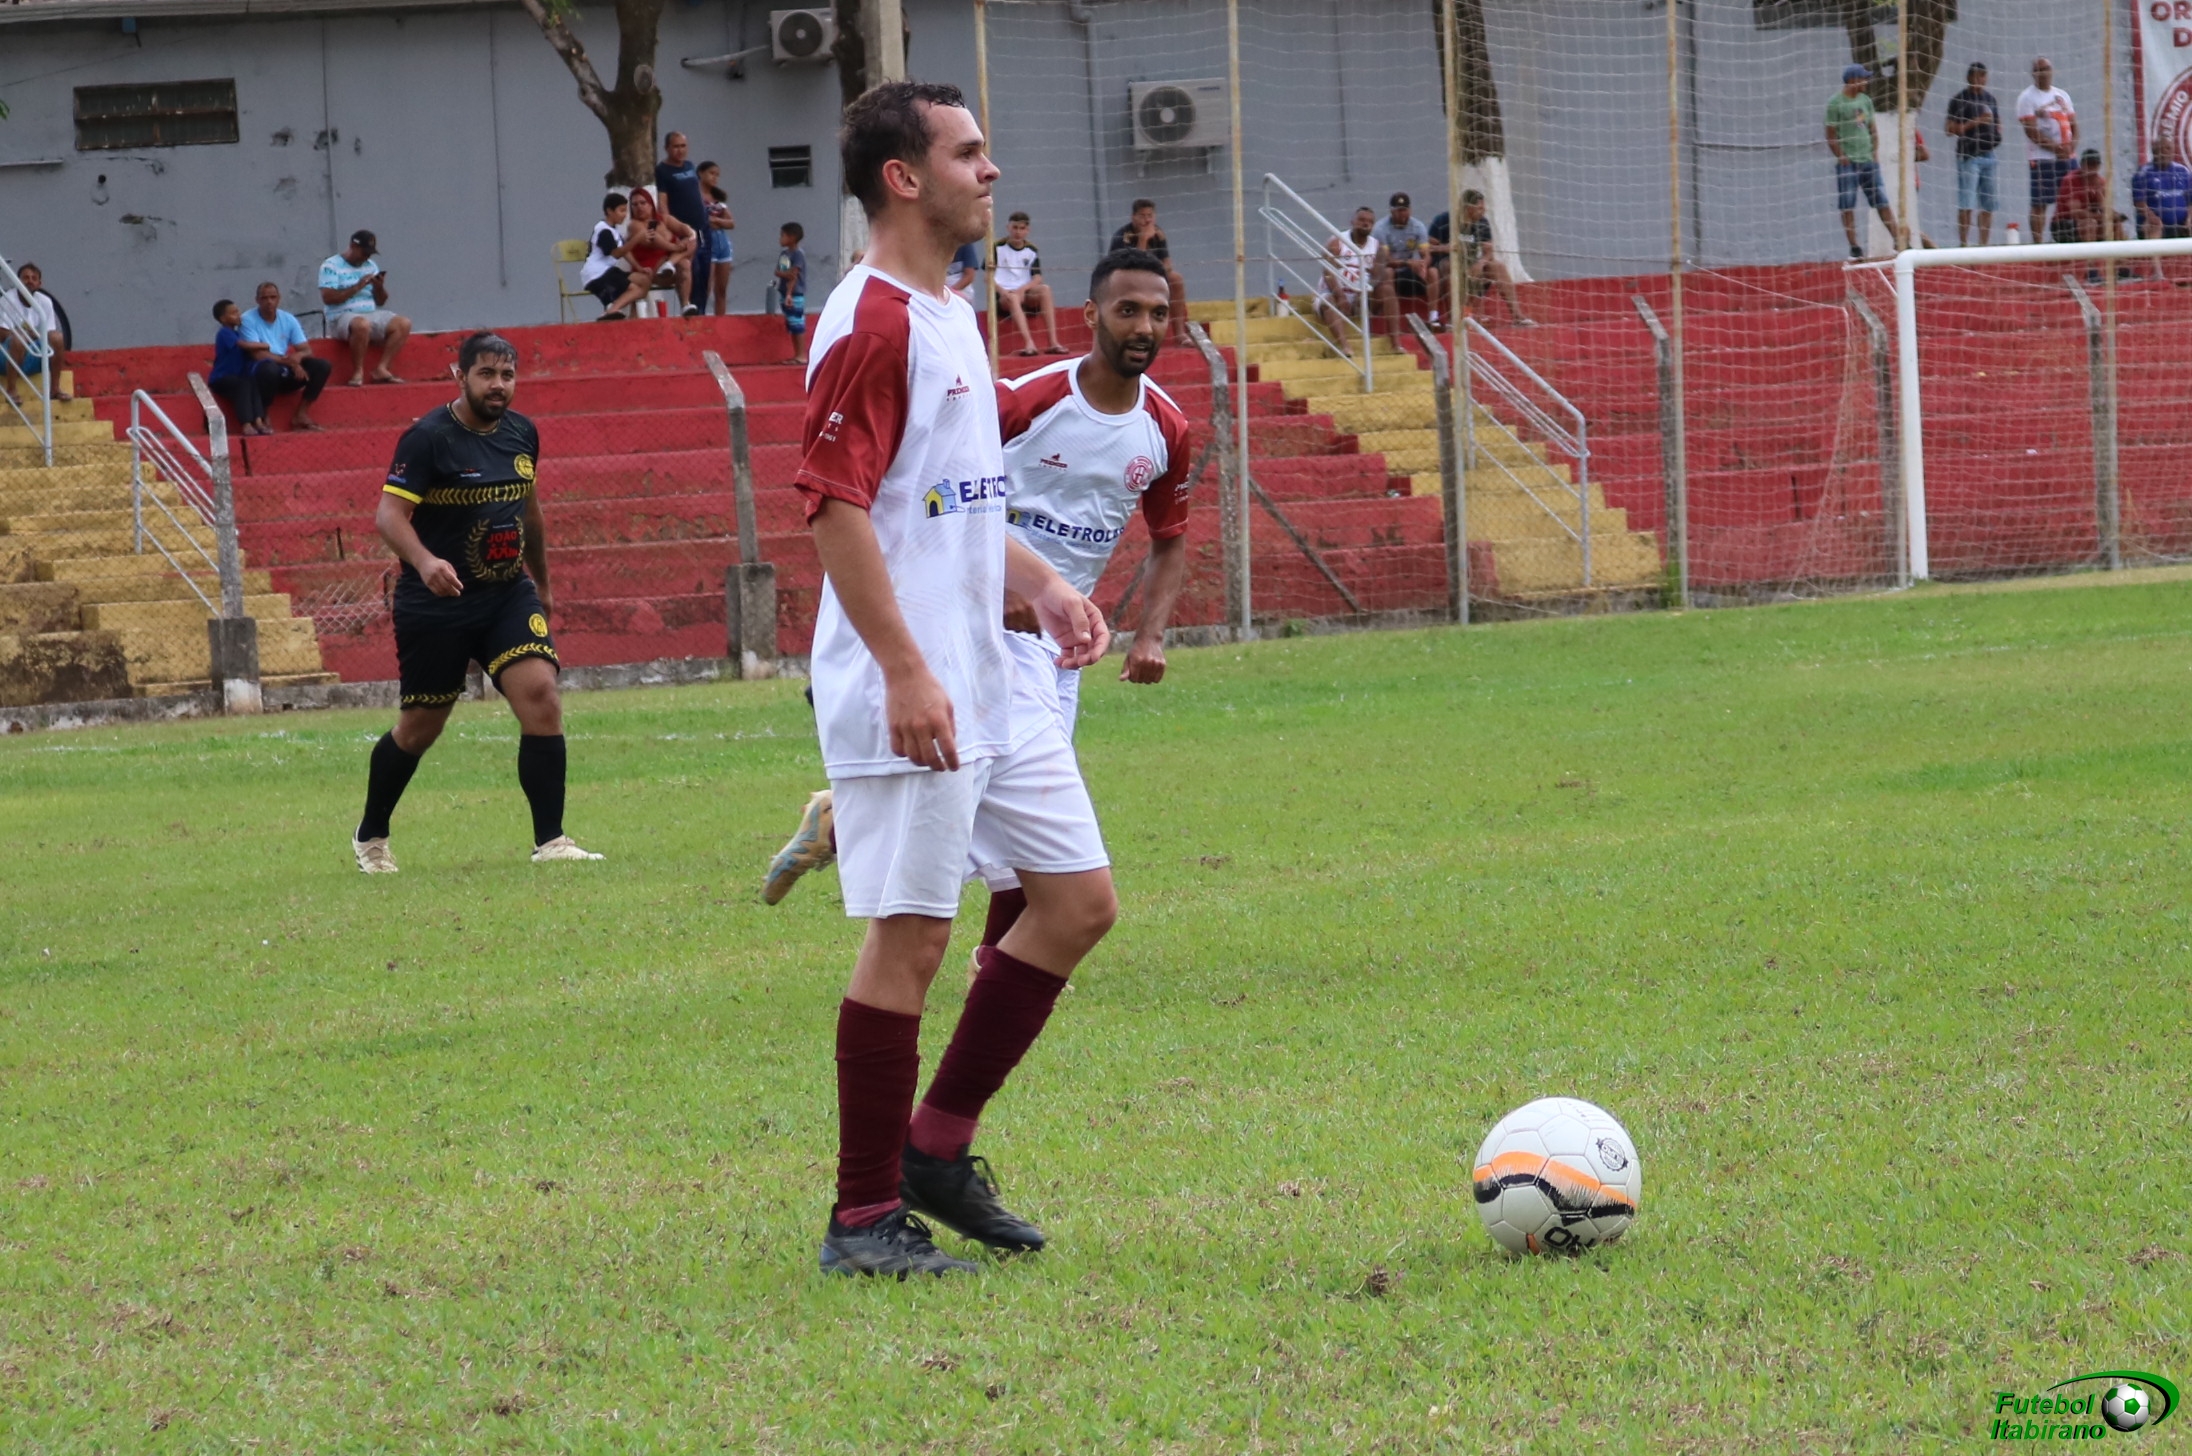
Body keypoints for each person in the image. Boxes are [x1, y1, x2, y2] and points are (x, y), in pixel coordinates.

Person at [792, 80, 1115, 1278]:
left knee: (1076, 903)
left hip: (991, 678)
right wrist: (904, 672)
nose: (990, 170)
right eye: (968, 153)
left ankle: (934, 1148)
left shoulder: (949, 311)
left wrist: (1041, 584)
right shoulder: (871, 322)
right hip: (913, 688)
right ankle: (862, 1216)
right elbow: (832, 508)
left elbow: (950, 504)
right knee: (911, 943)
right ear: (903, 177)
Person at [764, 248, 1197, 926]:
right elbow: (934, 478)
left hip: (1060, 639)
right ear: (1091, 315)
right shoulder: (1029, 398)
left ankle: (840, 821)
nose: (1144, 327)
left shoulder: (1167, 427)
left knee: (1003, 809)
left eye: (1158, 314)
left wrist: (1152, 635)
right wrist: (988, 580)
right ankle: (991, 959)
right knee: (1031, 839)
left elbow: (1170, 538)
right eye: (1128, 310)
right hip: (986, 621)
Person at [352, 331, 602, 874]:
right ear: (459, 376)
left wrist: (543, 583)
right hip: (435, 602)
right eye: (486, 374)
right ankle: (371, 835)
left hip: (506, 594)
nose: (498, 385)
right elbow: (389, 515)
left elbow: (530, 511)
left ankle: (551, 841)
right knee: (420, 727)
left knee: (541, 694)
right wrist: (425, 562)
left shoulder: (522, 433)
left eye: (507, 375)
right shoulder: (427, 438)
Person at [320, 230, 412, 387]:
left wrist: (379, 287)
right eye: (364, 253)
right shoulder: (331, 265)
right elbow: (328, 298)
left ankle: (382, 368)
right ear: (353, 246)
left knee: (403, 323)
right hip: (341, 315)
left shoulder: (371, 266)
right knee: (361, 325)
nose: (366, 257)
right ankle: (358, 371)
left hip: (370, 312)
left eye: (369, 254)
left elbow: (381, 301)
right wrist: (358, 286)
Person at [237, 281, 333, 431]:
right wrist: (291, 363)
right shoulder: (247, 319)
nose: (269, 302)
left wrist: (297, 357)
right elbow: (258, 354)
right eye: (264, 298)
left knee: (322, 366)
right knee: (269, 368)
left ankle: (301, 414)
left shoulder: (288, 319)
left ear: (279, 298)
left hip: (284, 368)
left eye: (273, 297)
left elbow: (306, 350)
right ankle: (263, 414)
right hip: (260, 371)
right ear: (257, 300)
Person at [1827, 65, 1899, 259]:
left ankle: (1898, 240)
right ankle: (1855, 246)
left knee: (1881, 201)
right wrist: (1841, 156)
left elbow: (1872, 129)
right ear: (1852, 80)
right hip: (1848, 163)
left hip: (1868, 161)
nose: (1866, 82)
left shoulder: (1865, 101)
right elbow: (1830, 135)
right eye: (1863, 78)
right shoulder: (1835, 103)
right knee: (1847, 204)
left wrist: (1874, 151)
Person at [1442, 191, 1535, 327]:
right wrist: (1449, 248)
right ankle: (1455, 318)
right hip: (1449, 264)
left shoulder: (1482, 223)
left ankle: (1517, 316)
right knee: (1450, 268)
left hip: (1471, 263)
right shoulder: (1446, 220)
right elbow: (1429, 247)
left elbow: (1488, 251)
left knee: (1497, 267)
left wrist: (1481, 263)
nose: (1484, 211)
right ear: (1468, 208)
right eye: (1480, 208)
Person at [2018, 57, 2078, 248]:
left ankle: (2073, 240)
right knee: (2040, 203)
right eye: (2040, 69)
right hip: (2043, 158)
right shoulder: (2027, 98)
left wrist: (2072, 146)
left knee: (2074, 199)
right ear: (2033, 73)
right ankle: (2038, 245)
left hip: (2068, 157)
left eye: (2047, 68)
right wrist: (2055, 148)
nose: (2044, 73)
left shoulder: (2062, 95)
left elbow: (2074, 125)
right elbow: (2031, 131)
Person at [1110, 199, 1191, 339]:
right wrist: (1143, 239)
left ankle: (1180, 333)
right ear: (1133, 217)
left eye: (1150, 216)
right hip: (1125, 277)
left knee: (1176, 279)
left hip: (1151, 275)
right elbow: (1134, 265)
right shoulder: (1123, 236)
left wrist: (1159, 273)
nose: (1147, 220)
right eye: (1142, 216)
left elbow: (1167, 264)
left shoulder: (1158, 234)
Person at [1318, 206, 1395, 351]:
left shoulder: (1377, 247)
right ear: (1352, 222)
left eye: (1370, 222)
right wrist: (1340, 296)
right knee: (1328, 301)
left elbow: (1377, 276)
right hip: (1334, 293)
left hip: (1359, 297)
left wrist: (1364, 293)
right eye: (1361, 220)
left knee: (1387, 290)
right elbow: (1328, 272)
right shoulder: (1337, 242)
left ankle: (1396, 345)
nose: (1366, 223)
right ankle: (1345, 347)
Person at [653, 132, 711, 317]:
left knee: (705, 273)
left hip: (701, 227)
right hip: (683, 229)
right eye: (676, 146)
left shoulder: (690, 166)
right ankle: (691, 310)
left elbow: (697, 193)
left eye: (683, 146)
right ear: (667, 148)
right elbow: (663, 203)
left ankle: (702, 311)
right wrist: (669, 227)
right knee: (691, 270)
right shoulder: (662, 171)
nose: (680, 150)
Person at [1945, 62, 2003, 247]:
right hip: (1969, 156)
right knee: (1967, 202)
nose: (1979, 79)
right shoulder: (1959, 100)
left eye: (1982, 76)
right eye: (1976, 76)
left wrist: (1996, 134)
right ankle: (1964, 244)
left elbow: (1997, 124)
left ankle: (1983, 245)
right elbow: (1949, 129)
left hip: (1989, 155)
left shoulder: (1990, 99)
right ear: (1969, 77)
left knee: (1989, 203)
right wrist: (1975, 122)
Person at [994, 211, 1064, 356]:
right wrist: (1004, 292)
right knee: (1013, 298)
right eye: (1015, 228)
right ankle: (1029, 343)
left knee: (1045, 289)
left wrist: (1022, 289)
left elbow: (1037, 278)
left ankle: (1053, 342)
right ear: (1008, 228)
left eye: (1022, 228)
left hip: (1025, 293)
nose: (1018, 232)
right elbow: (988, 278)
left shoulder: (1031, 250)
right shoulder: (997, 247)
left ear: (1027, 230)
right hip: (1005, 295)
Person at [619, 188, 696, 317]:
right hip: (649, 269)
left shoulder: (664, 219)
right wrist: (675, 247)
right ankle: (670, 263)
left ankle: (685, 304)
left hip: (670, 266)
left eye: (643, 203)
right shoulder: (634, 225)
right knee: (683, 256)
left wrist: (689, 236)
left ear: (651, 204)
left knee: (686, 260)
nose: (639, 207)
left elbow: (684, 229)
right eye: (635, 204)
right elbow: (652, 239)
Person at [1, 262, 68, 403]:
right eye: (25, 278)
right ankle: (11, 390)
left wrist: (31, 336)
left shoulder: (45, 302)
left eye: (34, 278)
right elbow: (1, 333)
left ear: (39, 284)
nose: (29, 281)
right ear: (18, 281)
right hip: (7, 356)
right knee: (19, 338)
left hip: (32, 354)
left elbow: (49, 333)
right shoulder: (7, 299)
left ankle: (55, 389)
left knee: (57, 338)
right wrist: (23, 335)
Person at [1373, 191, 1441, 328]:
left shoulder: (1418, 226)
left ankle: (1433, 317)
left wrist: (1423, 264)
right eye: (1399, 211)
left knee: (1433, 272)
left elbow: (1426, 253)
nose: (1403, 214)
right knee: (1388, 272)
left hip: (1409, 269)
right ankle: (1386, 315)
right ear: (1392, 211)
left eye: (1405, 210)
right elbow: (1385, 259)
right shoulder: (1380, 228)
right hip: (1391, 269)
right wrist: (1407, 263)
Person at [207, 300, 270, 436]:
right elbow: (243, 345)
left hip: (237, 377)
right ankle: (246, 423)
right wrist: (264, 345)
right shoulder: (224, 333)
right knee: (243, 384)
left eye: (238, 312)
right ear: (223, 319)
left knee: (253, 382)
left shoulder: (237, 333)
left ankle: (259, 421)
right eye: (233, 313)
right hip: (220, 379)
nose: (238, 315)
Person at [580, 192, 648, 320]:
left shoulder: (613, 230)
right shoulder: (603, 230)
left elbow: (625, 251)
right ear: (609, 211)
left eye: (625, 211)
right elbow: (616, 253)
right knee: (634, 289)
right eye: (621, 211)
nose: (624, 215)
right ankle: (612, 310)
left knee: (643, 280)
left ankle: (628, 314)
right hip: (598, 274)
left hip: (608, 271)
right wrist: (637, 238)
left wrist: (639, 267)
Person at [2132, 136, 2191, 282]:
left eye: (2167, 149)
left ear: (2172, 151)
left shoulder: (2183, 171)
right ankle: (2157, 274)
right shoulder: (2143, 173)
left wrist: (2190, 218)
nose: (2163, 152)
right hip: (2157, 224)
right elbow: (2139, 203)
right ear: (2153, 152)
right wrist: (2153, 218)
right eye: (2159, 149)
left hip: (2181, 223)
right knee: (2152, 225)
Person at [699, 161, 737, 316]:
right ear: (701, 173)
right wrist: (713, 221)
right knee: (706, 287)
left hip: (723, 242)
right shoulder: (696, 196)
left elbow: (731, 222)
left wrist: (717, 221)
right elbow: (700, 219)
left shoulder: (718, 198)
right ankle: (701, 318)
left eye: (717, 175)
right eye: (711, 173)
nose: (714, 177)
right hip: (706, 241)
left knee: (721, 289)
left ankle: (720, 320)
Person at [775, 223, 809, 365]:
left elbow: (793, 276)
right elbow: (779, 272)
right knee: (792, 324)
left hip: (794, 294)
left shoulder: (798, 254)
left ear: (792, 237)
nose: (780, 238)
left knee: (797, 323)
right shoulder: (784, 254)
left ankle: (801, 355)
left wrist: (789, 294)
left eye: (783, 235)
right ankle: (797, 354)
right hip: (785, 292)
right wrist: (785, 274)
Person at [945, 240, 983, 308]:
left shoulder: (966, 244)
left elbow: (970, 276)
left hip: (961, 290)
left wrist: (950, 292)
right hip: (937, 291)